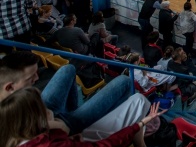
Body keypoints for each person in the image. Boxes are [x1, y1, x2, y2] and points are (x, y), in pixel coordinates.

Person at [0, 51, 138, 138]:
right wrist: (55, 124)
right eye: (31, 78)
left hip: (46, 113)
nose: (37, 78)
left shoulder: (16, 95)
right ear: (10, 87)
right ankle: (111, 129)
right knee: (124, 81)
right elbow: (60, 131)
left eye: (36, 73)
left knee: (68, 69)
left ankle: (74, 110)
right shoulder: (10, 118)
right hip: (62, 125)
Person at [1, 87, 164, 147]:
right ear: (34, 117)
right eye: (42, 106)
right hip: (91, 145)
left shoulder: (16, 140)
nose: (46, 106)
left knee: (139, 100)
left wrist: (66, 138)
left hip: (79, 141)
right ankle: (141, 145)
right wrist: (140, 123)